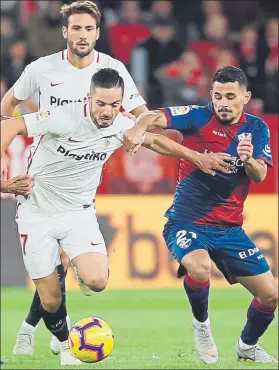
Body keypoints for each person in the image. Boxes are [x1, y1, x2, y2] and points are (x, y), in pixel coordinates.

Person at [1, 67, 235, 366]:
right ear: (89, 99)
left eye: (114, 104)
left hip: (78, 214)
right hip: (36, 211)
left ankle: (78, 273)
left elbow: (157, 141)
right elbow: (7, 128)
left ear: (121, 102)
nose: (107, 111)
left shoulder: (121, 125)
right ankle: (64, 344)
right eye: (101, 104)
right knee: (50, 300)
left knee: (97, 281)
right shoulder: (62, 116)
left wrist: (198, 157)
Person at [1, 0, 150, 356]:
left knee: (64, 264)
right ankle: (49, 333)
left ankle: (37, 329)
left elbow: (144, 115)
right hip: (44, 175)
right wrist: (25, 144)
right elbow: (8, 106)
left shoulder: (113, 69)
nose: (82, 35)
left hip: (81, 181)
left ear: (98, 33)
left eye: (89, 29)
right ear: (65, 31)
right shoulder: (41, 69)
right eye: (76, 28)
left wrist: (140, 128)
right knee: (53, 268)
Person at [123, 66, 278, 364]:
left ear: (245, 97)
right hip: (186, 221)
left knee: (270, 296)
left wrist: (247, 159)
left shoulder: (257, 128)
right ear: (211, 95)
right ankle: (202, 325)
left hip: (230, 230)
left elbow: (259, 175)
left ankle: (247, 346)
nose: (223, 102)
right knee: (199, 267)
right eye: (218, 95)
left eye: (231, 97)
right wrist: (138, 128)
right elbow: (154, 116)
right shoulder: (197, 116)